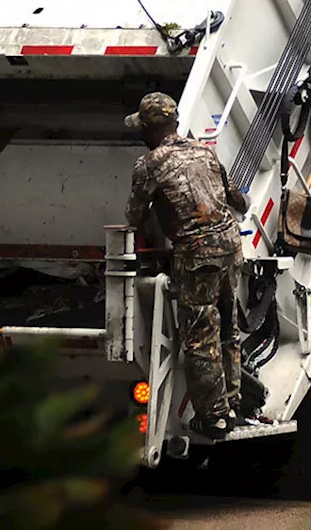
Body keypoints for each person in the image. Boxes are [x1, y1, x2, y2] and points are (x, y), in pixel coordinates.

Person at [124, 92, 250, 439]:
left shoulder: (149, 163)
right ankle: (232, 404)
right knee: (228, 327)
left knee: (199, 337)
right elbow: (236, 197)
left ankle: (215, 417)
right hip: (230, 248)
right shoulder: (204, 150)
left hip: (197, 257)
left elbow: (133, 216)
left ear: (149, 130)